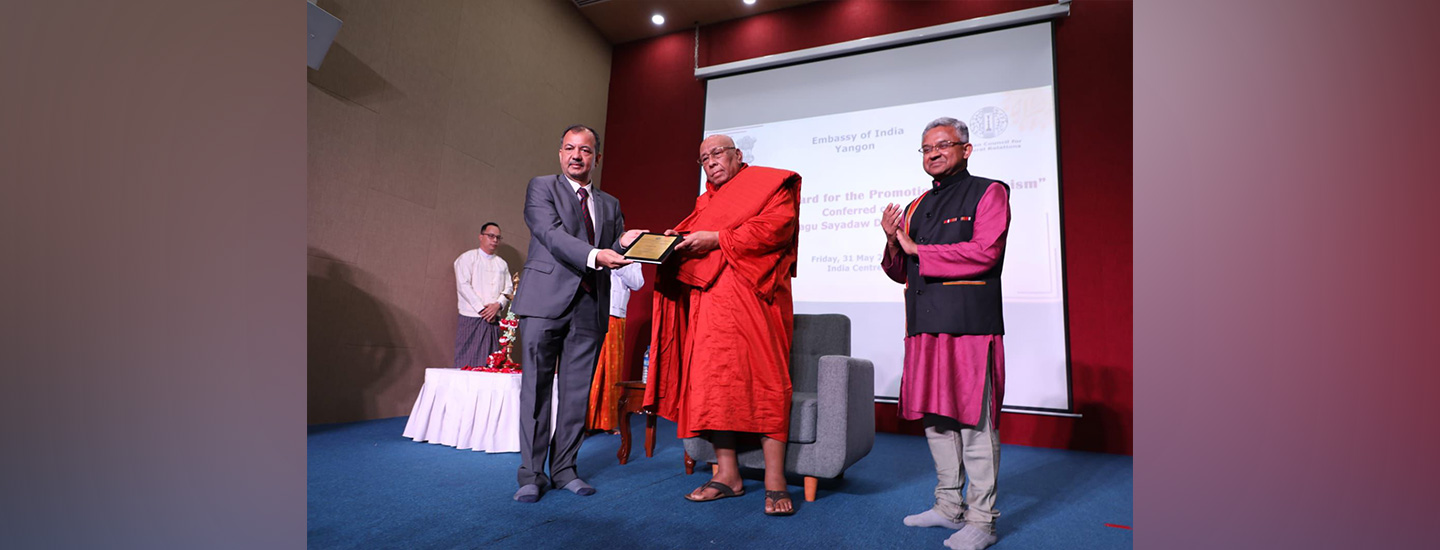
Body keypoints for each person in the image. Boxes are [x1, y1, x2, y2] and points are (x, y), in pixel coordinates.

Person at [644, 134, 802, 516]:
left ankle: (775, 481)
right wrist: (666, 244)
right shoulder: (706, 203)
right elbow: (690, 245)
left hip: (757, 300)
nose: (711, 161)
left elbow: (776, 228)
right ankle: (727, 474)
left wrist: (717, 238)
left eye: (718, 153)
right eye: (704, 159)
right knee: (716, 385)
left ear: (737, 155)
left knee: (766, 383)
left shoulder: (768, 184)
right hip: (711, 305)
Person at [879, 117, 1011, 550]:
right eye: (925, 149)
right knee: (936, 421)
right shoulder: (917, 204)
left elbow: (986, 253)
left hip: (970, 325)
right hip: (924, 325)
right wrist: (894, 241)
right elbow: (901, 271)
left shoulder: (990, 191)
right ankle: (948, 506)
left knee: (975, 423)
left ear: (966, 150)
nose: (932, 154)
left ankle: (981, 520)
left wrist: (918, 249)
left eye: (942, 146)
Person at [510, 124, 643, 503]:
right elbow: (550, 234)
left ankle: (565, 469)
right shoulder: (542, 187)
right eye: (569, 148)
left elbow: (611, 247)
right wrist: (596, 255)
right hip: (543, 304)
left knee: (575, 396)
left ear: (596, 158)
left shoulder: (610, 203)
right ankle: (532, 474)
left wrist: (625, 242)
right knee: (535, 391)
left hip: (590, 306)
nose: (576, 156)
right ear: (560, 153)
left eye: (585, 150)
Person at [585, 262, 645, 431]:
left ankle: (606, 422)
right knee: (591, 366)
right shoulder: (596, 245)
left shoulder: (632, 256)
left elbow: (638, 283)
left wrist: (618, 262)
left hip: (615, 315)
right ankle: (583, 421)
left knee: (611, 370)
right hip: (591, 310)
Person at [453, 223, 512, 369]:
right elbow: (463, 285)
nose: (494, 240)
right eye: (491, 236)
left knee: (491, 362)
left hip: (494, 320)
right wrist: (483, 309)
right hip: (472, 318)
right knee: (467, 362)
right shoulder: (467, 258)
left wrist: (498, 305)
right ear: (481, 237)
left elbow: (509, 287)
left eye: (498, 237)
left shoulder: (502, 264)